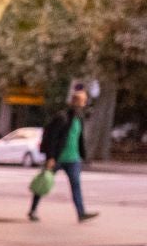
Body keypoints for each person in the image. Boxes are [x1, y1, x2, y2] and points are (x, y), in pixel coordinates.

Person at [32, 88, 99, 223]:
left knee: (76, 186)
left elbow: (78, 138)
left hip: (73, 159)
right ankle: (33, 210)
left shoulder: (79, 119)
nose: (83, 104)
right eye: (81, 101)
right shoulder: (62, 117)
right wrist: (50, 157)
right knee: (44, 183)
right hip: (57, 158)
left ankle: (81, 213)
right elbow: (51, 138)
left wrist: (82, 156)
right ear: (74, 101)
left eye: (84, 101)